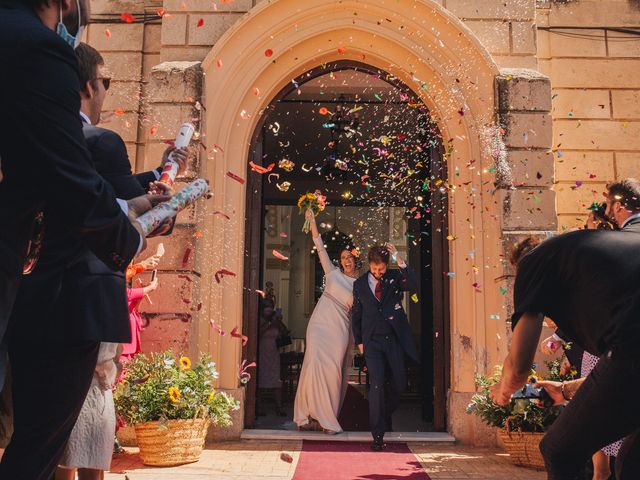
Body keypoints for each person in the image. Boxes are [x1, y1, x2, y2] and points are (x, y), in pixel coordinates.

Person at [0, 2, 164, 478]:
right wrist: (130, 237)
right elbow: (68, 181)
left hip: (30, 294)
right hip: (72, 304)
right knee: (40, 442)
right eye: (105, 81)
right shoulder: (36, 48)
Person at [490, 179, 640, 479]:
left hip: (631, 357)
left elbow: (519, 369)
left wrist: (503, 389)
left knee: (559, 450)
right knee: (630, 459)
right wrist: (565, 388)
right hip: (628, 357)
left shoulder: (536, 263)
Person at [75, 43, 189, 201]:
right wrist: (168, 201)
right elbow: (145, 221)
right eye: (104, 82)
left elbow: (113, 186)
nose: (105, 91)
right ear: (89, 87)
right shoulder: (102, 142)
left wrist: (163, 171)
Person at [294, 210, 359, 434]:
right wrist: (312, 221)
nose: (346, 261)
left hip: (339, 330)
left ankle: (327, 418)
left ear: (355, 258)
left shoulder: (361, 285)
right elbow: (319, 245)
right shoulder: (332, 274)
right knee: (312, 368)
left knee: (332, 372)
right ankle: (306, 415)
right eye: (343, 258)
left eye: (349, 257)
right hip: (319, 326)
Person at [351, 244, 418, 451]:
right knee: (377, 386)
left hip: (394, 339)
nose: (378, 273)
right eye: (374, 269)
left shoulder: (394, 277)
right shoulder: (360, 284)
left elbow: (412, 284)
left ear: (385, 265)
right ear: (369, 264)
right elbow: (357, 314)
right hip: (372, 343)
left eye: (381, 269)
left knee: (400, 384)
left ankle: (383, 412)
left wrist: (399, 260)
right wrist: (359, 341)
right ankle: (377, 435)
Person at [55, 342, 120, 480]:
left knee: (65, 460)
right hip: (92, 389)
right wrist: (110, 373)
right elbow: (103, 355)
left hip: (63, 384)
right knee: (90, 460)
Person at [257, 299, 288, 417]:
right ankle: (259, 407)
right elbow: (257, 333)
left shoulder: (275, 320)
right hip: (262, 351)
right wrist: (269, 324)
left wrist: (278, 322)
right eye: (267, 306)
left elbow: (285, 332)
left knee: (276, 379)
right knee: (261, 379)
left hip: (274, 352)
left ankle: (279, 407)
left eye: (271, 306)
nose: (269, 309)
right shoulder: (259, 319)